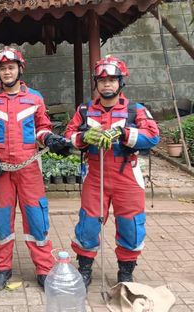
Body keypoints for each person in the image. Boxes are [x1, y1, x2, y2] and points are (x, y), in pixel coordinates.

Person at [0, 46, 68, 291]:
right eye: (3, 68)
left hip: (28, 170)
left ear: (20, 69)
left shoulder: (35, 98)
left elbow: (42, 127)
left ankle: (44, 270)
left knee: (37, 220)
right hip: (0, 170)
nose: (7, 72)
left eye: (11, 67)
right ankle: (2, 269)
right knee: (1, 222)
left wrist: (49, 139)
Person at [65, 55, 160, 287]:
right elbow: (68, 135)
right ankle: (85, 269)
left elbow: (153, 136)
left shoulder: (135, 111)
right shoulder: (85, 110)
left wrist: (126, 134)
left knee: (130, 224)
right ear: (96, 83)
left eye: (113, 80)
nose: (107, 84)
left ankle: (125, 272)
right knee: (88, 225)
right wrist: (83, 137)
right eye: (102, 80)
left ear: (121, 83)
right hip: (95, 176)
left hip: (126, 176)